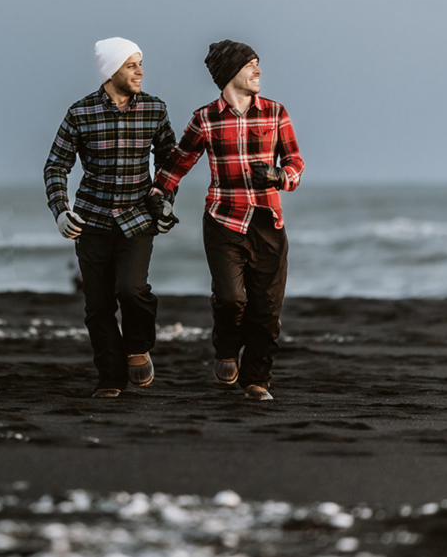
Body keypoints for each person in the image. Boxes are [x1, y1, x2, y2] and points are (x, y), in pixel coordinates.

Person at [152, 41, 304, 401]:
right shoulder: (205, 118)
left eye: (257, 64)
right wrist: (159, 195)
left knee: (266, 312)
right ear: (231, 73)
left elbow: (296, 163)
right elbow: (178, 162)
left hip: (268, 224)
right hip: (223, 220)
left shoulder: (276, 112)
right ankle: (225, 349)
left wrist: (279, 177)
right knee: (230, 299)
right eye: (251, 65)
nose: (258, 71)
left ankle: (256, 381)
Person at [44, 38, 177, 399]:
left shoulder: (154, 109)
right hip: (92, 221)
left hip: (137, 219)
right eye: (132, 65)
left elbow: (169, 160)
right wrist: (61, 210)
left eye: (140, 63)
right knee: (98, 305)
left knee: (132, 290)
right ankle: (110, 378)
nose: (140, 71)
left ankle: (137, 347)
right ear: (112, 70)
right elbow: (57, 165)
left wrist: (164, 200)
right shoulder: (80, 113)